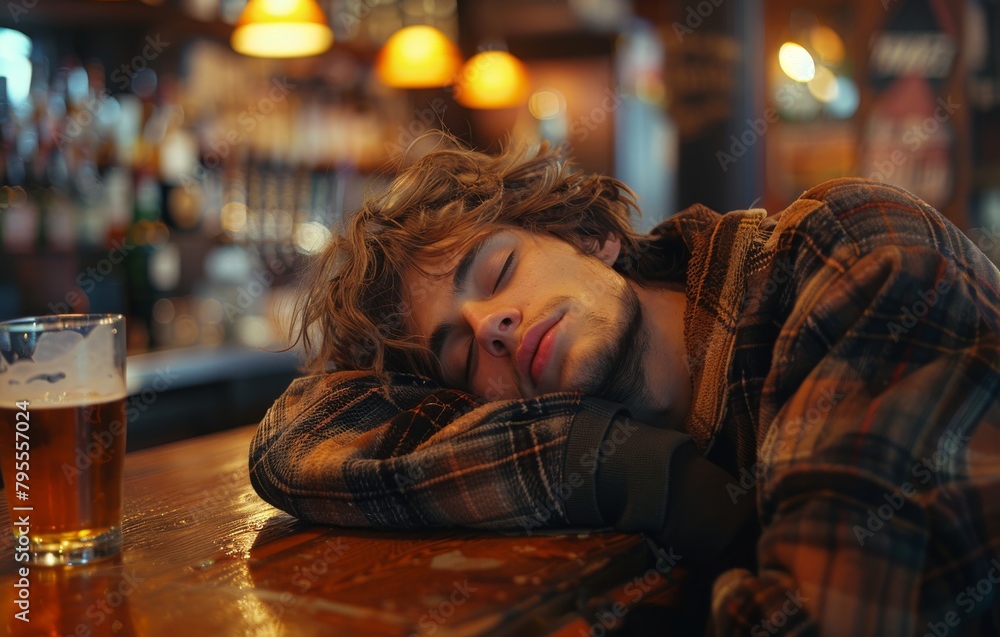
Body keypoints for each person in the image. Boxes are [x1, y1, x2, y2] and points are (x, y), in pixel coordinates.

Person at [249, 137, 1000, 636]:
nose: (492, 327)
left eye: (499, 269)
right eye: (457, 353)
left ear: (590, 235)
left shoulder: (852, 253)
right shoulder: (570, 401)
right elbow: (297, 436)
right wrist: (632, 467)